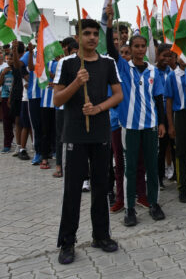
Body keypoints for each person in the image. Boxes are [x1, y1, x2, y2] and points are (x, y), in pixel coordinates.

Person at [53, 18, 123, 265]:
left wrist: (99, 108)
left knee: (101, 186)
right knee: (72, 190)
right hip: (74, 134)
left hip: (101, 133)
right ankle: (67, 242)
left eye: (95, 33)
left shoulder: (108, 62)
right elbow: (57, 100)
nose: (92, 37)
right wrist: (76, 82)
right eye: (87, 34)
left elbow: (118, 94)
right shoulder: (68, 64)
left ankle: (101, 235)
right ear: (79, 36)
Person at [105, 6, 166, 226]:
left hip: (150, 125)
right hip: (129, 126)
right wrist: (109, 23)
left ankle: (153, 203)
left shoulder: (153, 71)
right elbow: (111, 50)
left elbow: (158, 98)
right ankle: (130, 208)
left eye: (142, 46)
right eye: (136, 47)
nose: (140, 50)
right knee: (129, 168)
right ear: (129, 49)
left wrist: (161, 122)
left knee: (151, 167)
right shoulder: (123, 67)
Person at [165, 54, 186, 203]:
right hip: (181, 115)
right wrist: (171, 125)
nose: (184, 59)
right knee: (181, 152)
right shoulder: (172, 76)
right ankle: (183, 186)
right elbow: (168, 101)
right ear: (176, 58)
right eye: (181, 56)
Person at [53, 38, 79, 178]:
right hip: (62, 108)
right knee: (60, 137)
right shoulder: (63, 65)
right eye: (73, 52)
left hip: (76, 108)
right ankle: (59, 165)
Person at [154, 43, 173, 190]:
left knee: (171, 146)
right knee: (160, 149)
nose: (166, 58)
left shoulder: (172, 72)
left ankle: (174, 173)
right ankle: (158, 178)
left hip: (171, 114)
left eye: (169, 56)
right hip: (158, 114)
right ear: (157, 55)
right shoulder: (153, 72)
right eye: (164, 55)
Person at [21, 43, 43, 165]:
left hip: (48, 96)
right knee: (36, 125)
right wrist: (29, 52)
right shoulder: (31, 53)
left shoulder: (52, 50)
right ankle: (38, 152)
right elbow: (23, 66)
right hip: (34, 94)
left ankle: (51, 151)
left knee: (49, 125)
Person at [0, 53, 14, 153]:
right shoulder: (4, 70)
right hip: (5, 96)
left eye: (11, 59)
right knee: (6, 121)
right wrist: (2, 74)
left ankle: (19, 143)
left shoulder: (16, 71)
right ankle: (7, 144)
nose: (9, 61)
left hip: (15, 98)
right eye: (7, 59)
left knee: (17, 121)